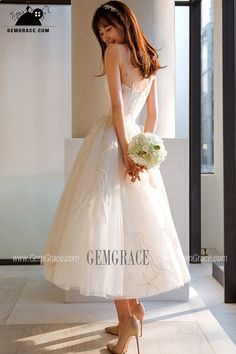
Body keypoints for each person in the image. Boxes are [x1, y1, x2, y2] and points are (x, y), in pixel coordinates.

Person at [42, 1, 191, 353]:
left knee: (106, 233)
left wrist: (125, 151)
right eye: (101, 32)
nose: (105, 36)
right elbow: (150, 116)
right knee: (127, 231)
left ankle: (128, 323)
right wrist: (143, 149)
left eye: (108, 28)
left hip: (112, 142)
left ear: (123, 23)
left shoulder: (114, 54)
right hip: (134, 140)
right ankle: (132, 310)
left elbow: (116, 108)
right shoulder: (150, 59)